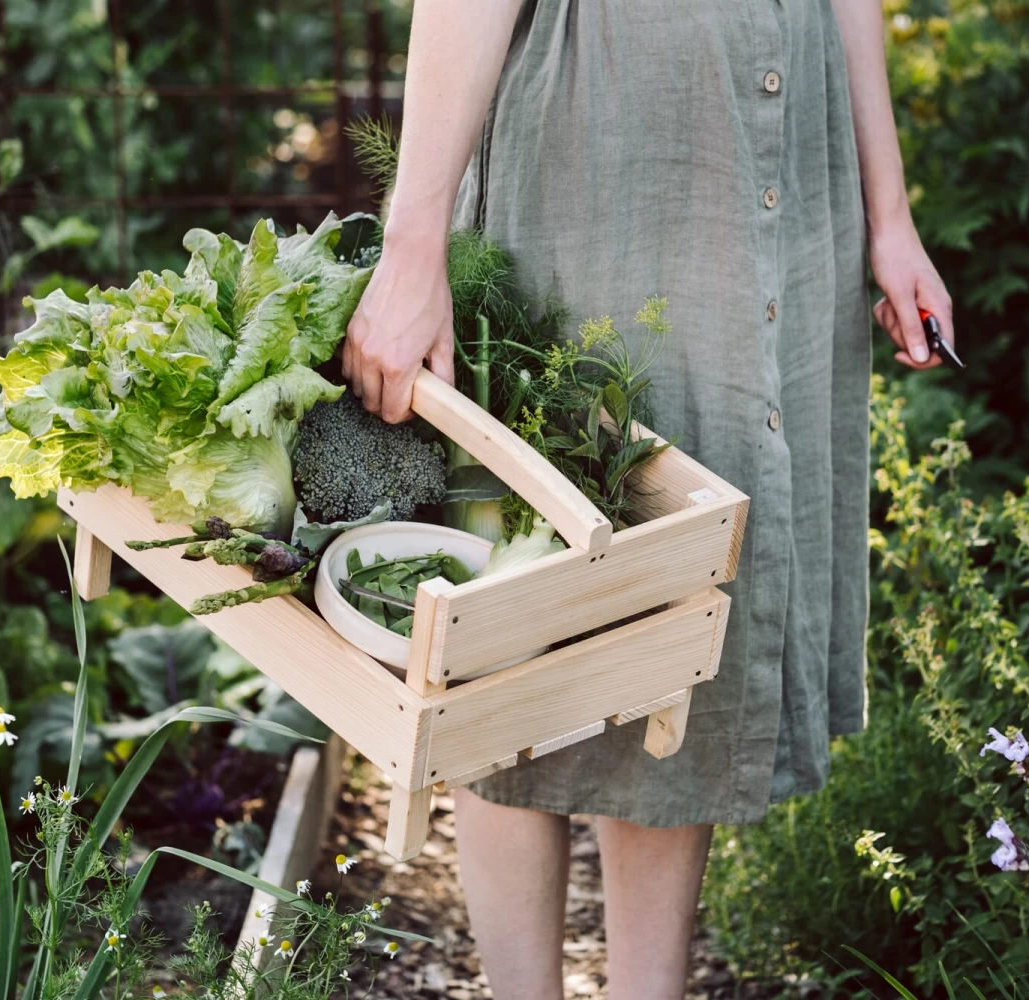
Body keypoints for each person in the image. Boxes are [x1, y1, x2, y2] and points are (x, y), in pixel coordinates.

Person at [340, 2, 955, 997]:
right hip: (596, 142)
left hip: (778, 149)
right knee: (519, 615)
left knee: (687, 588)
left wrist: (892, 217)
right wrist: (414, 249)